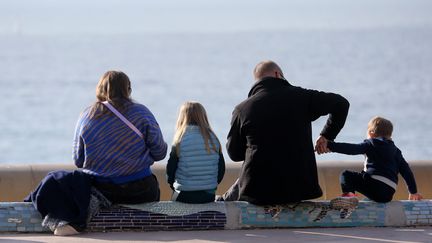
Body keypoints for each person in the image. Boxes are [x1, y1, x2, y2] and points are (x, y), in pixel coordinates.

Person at [219, 60, 350, 205]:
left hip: (258, 190)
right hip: (300, 188)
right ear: (277, 74)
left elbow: (234, 154)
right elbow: (341, 104)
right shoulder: (303, 97)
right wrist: (326, 136)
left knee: (234, 191)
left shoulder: (242, 109)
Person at [73, 70, 167, 205]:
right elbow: (160, 153)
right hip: (141, 190)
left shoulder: (86, 116)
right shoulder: (141, 113)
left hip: (101, 192)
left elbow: (78, 160)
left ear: (100, 89)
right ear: (127, 90)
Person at [326, 116, 423, 203]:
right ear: (390, 135)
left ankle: (349, 199)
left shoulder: (371, 143)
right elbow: (407, 172)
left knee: (346, 175)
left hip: (374, 185)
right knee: (371, 189)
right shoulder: (396, 151)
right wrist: (413, 191)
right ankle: (369, 199)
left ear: (371, 133)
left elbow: (351, 149)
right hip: (389, 192)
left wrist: (330, 145)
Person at [166, 101, 225, 203]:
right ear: (203, 117)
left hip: (183, 195)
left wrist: (175, 186)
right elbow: (221, 170)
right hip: (208, 195)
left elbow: (170, 171)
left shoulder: (179, 140)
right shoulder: (213, 139)